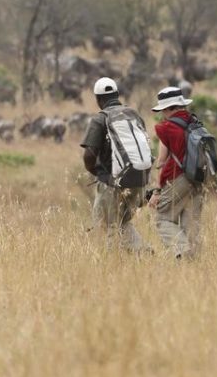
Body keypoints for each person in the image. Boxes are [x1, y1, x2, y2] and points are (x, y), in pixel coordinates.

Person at [78, 77, 150, 253]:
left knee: (105, 226)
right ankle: (143, 251)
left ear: (98, 99)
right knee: (122, 222)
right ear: (117, 95)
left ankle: (110, 265)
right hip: (139, 179)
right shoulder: (134, 114)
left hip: (112, 182)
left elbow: (88, 155)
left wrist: (99, 173)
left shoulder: (100, 119)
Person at [148, 86, 202, 259]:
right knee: (190, 224)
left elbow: (162, 161)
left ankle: (180, 251)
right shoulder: (194, 122)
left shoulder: (166, 128)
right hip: (198, 177)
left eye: (163, 110)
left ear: (168, 108)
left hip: (178, 177)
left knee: (162, 218)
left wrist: (157, 190)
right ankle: (192, 264)